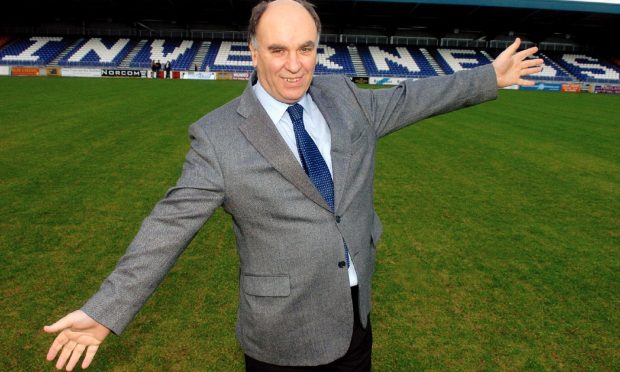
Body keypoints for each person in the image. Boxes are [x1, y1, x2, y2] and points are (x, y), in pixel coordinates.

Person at [43, 0, 542, 371]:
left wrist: (488, 78)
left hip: (354, 314)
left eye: (306, 48)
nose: (294, 63)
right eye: (278, 49)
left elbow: (411, 99)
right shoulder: (217, 137)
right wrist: (105, 311)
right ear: (253, 52)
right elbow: (167, 227)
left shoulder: (344, 96)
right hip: (282, 336)